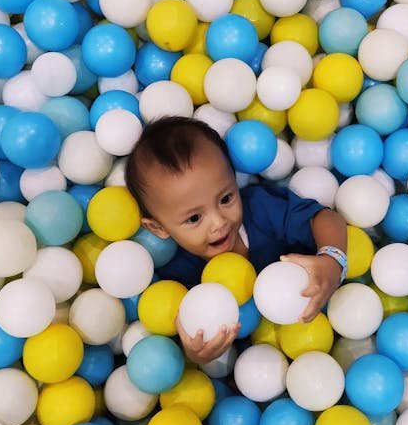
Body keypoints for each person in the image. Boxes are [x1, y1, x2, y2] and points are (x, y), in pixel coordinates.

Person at [125, 116, 349, 365]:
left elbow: (327, 219)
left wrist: (331, 259)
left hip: (310, 327)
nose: (219, 222)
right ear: (158, 227)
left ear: (234, 179)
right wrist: (196, 355)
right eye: (194, 218)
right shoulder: (174, 276)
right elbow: (182, 337)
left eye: (225, 199)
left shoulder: (260, 208)